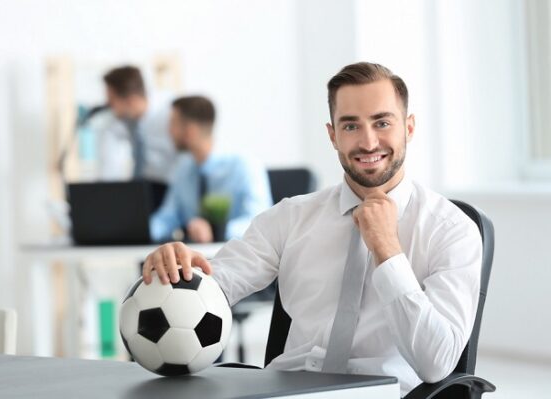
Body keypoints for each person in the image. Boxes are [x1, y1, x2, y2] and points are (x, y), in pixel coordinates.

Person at [141, 63, 482, 396]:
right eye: (350, 126)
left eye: (382, 123)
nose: (367, 142)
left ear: (408, 128)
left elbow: (437, 363)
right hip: (287, 390)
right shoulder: (291, 217)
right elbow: (218, 284)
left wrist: (388, 251)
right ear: (332, 135)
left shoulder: (452, 230)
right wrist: (176, 275)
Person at [150, 95, 273, 243]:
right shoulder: (183, 169)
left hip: (237, 255)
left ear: (191, 131)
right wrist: (139, 230)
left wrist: (216, 230)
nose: (168, 131)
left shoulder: (244, 166)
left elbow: (261, 224)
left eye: (173, 123)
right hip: (192, 258)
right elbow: (167, 218)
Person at [98, 65, 178, 182]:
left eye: (112, 101)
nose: (109, 106)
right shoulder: (123, 122)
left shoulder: (169, 113)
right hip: (142, 190)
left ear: (131, 100)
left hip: (169, 186)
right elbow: (110, 167)